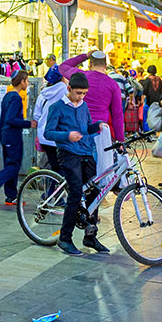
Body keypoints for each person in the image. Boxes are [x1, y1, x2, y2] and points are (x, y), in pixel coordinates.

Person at [43, 72, 110, 256]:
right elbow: (48, 133)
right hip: (68, 153)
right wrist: (67, 136)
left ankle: (90, 235)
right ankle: (65, 239)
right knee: (75, 193)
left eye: (84, 94)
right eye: (78, 93)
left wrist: (98, 126)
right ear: (69, 89)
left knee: (95, 192)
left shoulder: (84, 106)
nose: (81, 97)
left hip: (86, 152)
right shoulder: (57, 107)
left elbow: (87, 127)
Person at [59, 50, 125, 176]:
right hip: (98, 134)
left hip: (75, 130)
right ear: (106, 66)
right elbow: (117, 115)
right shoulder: (112, 85)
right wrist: (120, 140)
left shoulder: (80, 76)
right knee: (95, 173)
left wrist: (84, 56)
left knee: (77, 172)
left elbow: (62, 67)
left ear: (90, 64)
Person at [0, 70, 36, 206]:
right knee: (13, 165)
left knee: (11, 165)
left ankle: (11, 196)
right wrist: (29, 123)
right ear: (22, 81)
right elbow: (11, 119)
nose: (28, 83)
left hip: (5, 135)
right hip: (12, 136)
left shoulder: (8, 96)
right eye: (27, 80)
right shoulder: (16, 98)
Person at [33, 65, 69, 174]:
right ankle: (55, 190)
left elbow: (36, 117)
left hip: (44, 136)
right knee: (63, 168)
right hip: (61, 137)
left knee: (55, 167)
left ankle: (52, 190)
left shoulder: (42, 94)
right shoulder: (67, 93)